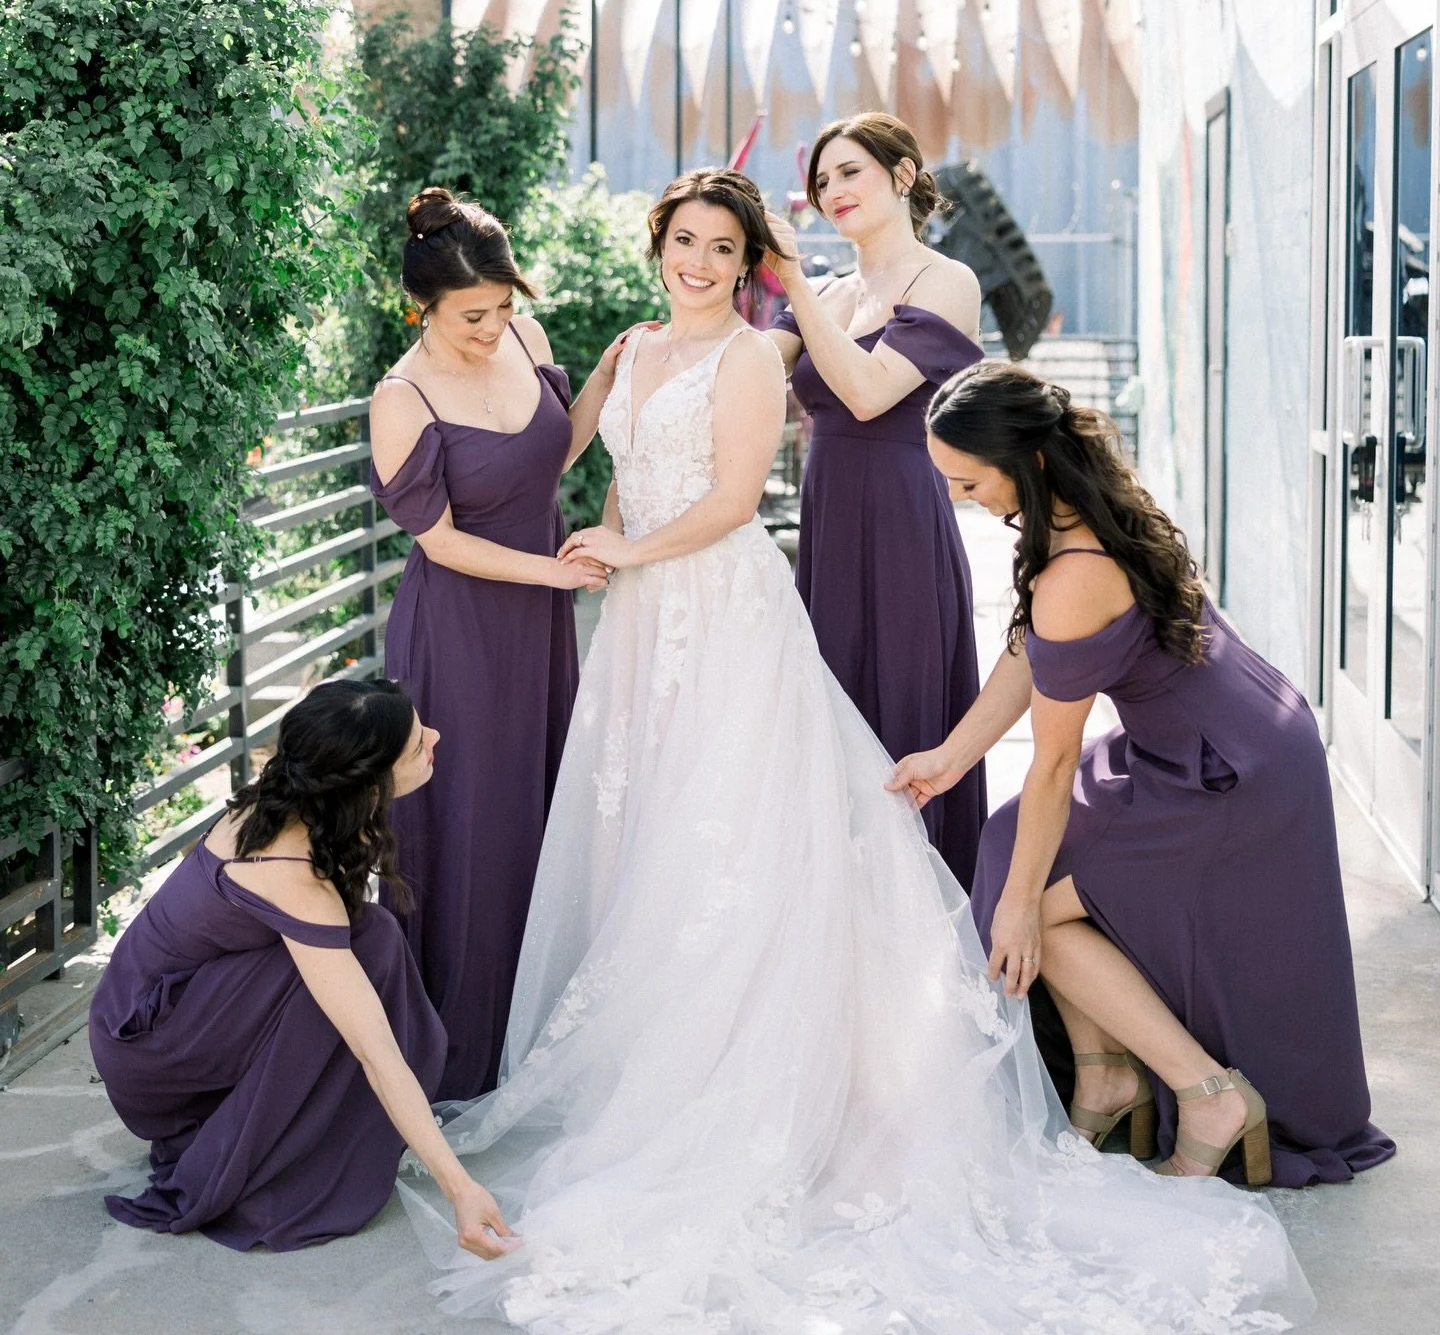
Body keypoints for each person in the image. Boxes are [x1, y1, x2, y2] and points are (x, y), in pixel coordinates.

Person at [397, 168, 1310, 1332]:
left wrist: (622, 553)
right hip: (635, 631)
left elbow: (732, 501)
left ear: (746, 265)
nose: (699, 264)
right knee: (644, 835)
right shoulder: (627, 348)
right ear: (656, 247)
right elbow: (557, 456)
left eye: (723, 250)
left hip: (719, 611)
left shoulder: (748, 357)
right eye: (683, 242)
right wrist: (475, 358)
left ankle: (759, 1085)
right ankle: (652, 1061)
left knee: (735, 836)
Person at [892, 360, 1395, 1189]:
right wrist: (953, 756)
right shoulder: (1082, 506)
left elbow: (1054, 763)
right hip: (1231, 731)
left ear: (1025, 461)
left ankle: (1208, 1095)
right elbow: (1035, 649)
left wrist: (1017, 912)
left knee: (1037, 919)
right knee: (1011, 840)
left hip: (1223, 776)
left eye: (967, 481)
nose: (959, 498)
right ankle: (1109, 1074)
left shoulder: (1076, 568)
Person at [90, 679, 515, 1255]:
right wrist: (458, 1187)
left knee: (373, 936)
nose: (436, 737)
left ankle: (290, 1119)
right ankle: (261, 1150)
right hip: (153, 1044)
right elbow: (375, 1049)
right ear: (367, 782)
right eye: (418, 744)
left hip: (165, 1002)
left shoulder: (294, 797)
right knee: (359, 970)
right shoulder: (290, 868)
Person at [369, 188, 618, 1101]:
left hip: (537, 627)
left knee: (541, 810)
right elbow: (439, 541)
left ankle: (536, 1030)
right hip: (460, 634)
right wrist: (557, 573)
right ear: (422, 307)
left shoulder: (528, 342)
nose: (495, 327)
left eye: (506, 306)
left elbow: (548, 458)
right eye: (473, 315)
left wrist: (607, 380)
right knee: (470, 828)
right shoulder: (402, 397)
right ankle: (455, 1053)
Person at [765, 112, 989, 886]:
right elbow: (752, 374)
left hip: (901, 526)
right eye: (821, 181)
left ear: (901, 175)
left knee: (899, 714)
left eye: (849, 172)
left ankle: (922, 930)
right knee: (829, 721)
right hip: (827, 530)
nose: (832, 192)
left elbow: (865, 393)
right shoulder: (825, 291)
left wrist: (789, 279)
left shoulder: (946, 282)